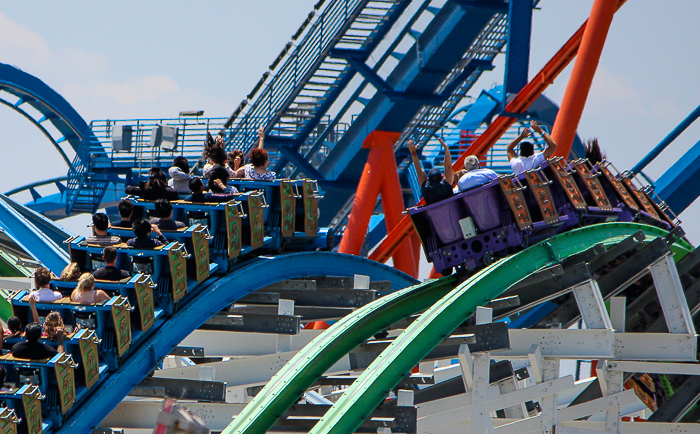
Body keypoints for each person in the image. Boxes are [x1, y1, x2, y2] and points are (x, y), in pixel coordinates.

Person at [408, 137, 454, 205]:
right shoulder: (446, 184)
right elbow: (448, 167)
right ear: (441, 177)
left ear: (428, 178)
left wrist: (413, 153)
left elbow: (419, 171)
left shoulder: (426, 187)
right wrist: (446, 149)